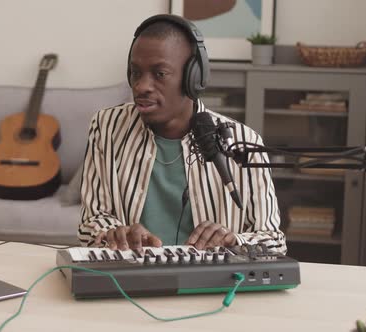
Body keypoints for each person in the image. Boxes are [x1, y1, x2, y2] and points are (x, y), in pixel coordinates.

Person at [77, 14, 286, 254]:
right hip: (129, 276)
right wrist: (115, 234)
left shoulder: (243, 142)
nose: (141, 86)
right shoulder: (107, 126)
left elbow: (274, 240)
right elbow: (91, 222)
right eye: (136, 73)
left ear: (193, 78)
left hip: (210, 284)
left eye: (160, 74)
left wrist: (234, 241)